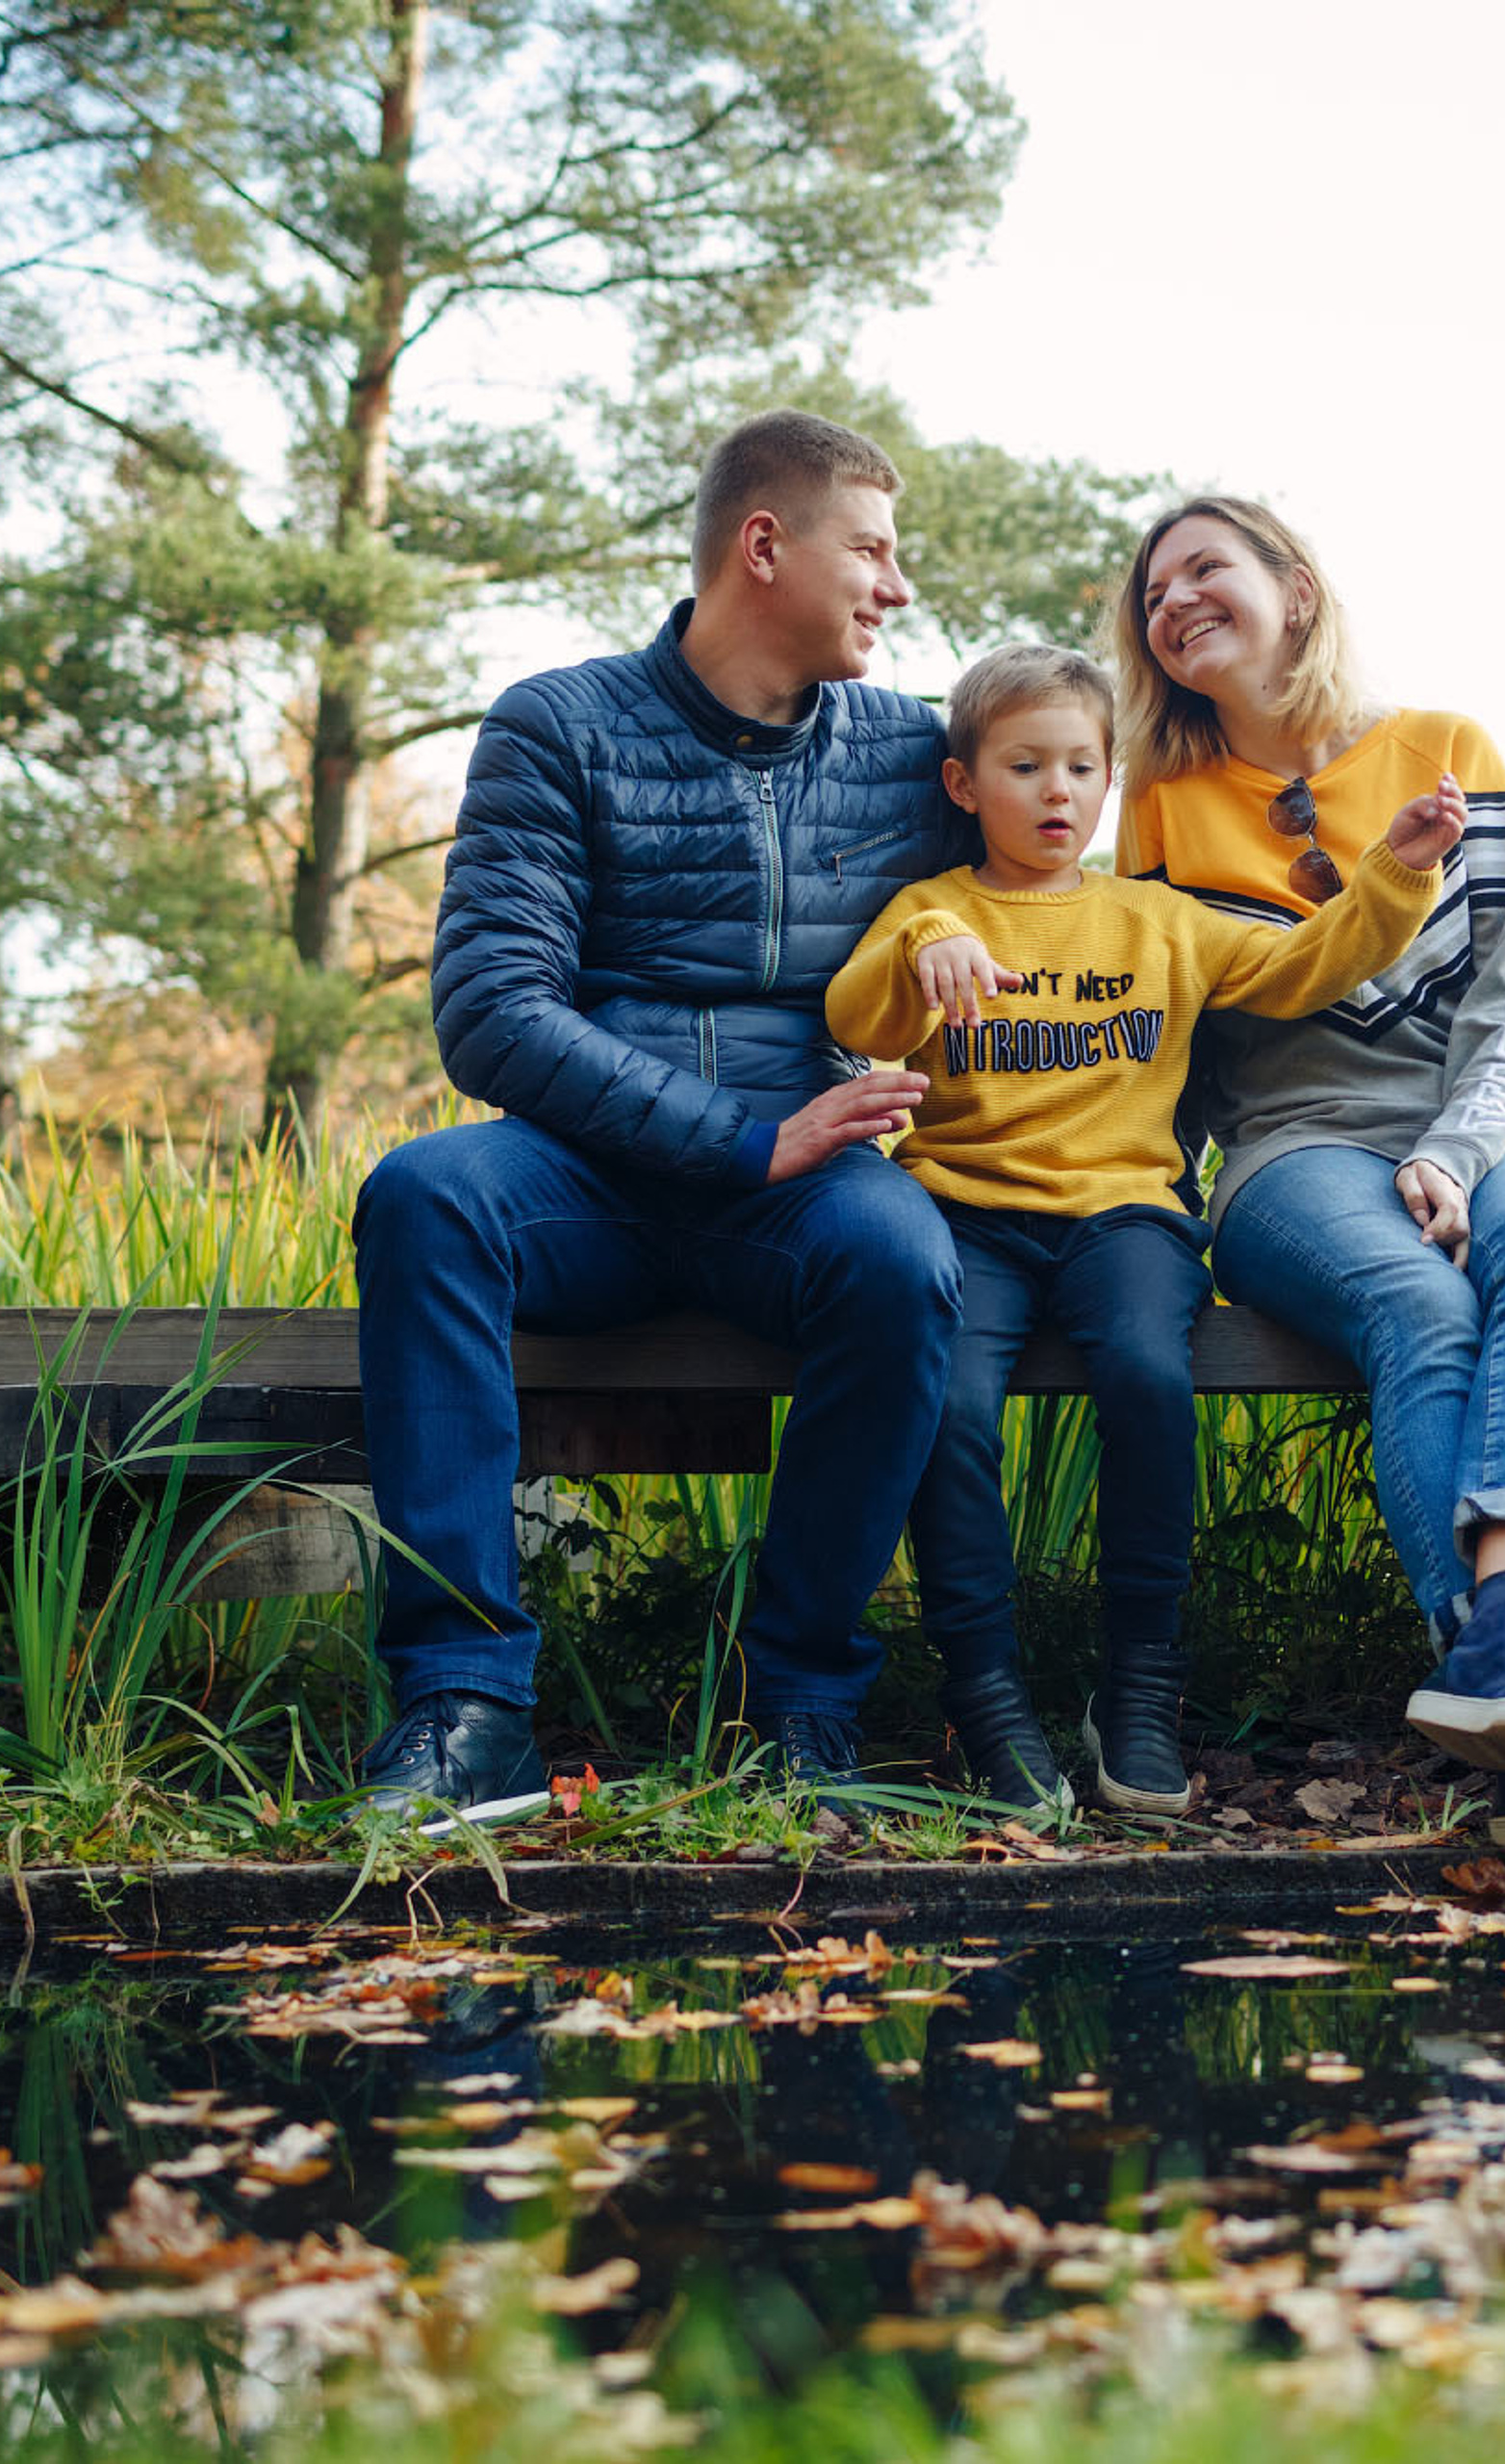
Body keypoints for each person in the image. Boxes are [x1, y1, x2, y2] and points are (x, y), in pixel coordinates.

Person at [350, 409, 972, 1823]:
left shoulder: (913, 752)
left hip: (811, 1198)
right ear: (766, 546)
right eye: (872, 549)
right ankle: (464, 1710)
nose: (898, 585)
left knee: (903, 1261)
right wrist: (738, 1137)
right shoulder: (557, 724)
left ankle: (801, 1711)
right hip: (593, 1180)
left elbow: (1057, 881)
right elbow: (493, 1013)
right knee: (425, 1195)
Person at [1111, 498, 1505, 1855]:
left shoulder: (1445, 750)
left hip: (1498, 1121)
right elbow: (1182, 1035)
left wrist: (1457, 1151)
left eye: (1208, 568)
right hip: (1296, 1148)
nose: (1175, 601)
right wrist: (1144, 1187)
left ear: (1298, 591)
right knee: (1419, 1306)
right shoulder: (1159, 802)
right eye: (1154, 592)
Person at [825, 643, 1455, 1817]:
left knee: (1150, 1380)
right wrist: (928, 953)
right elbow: (854, 1013)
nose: (1056, 792)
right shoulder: (934, 911)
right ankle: (988, 1694)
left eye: (1079, 766)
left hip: (1126, 1219)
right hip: (964, 1216)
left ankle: (1141, 1690)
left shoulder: (1157, 920)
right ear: (965, 786)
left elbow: (1303, 967)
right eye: (1024, 766)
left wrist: (1394, 878)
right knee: (950, 1408)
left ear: (1110, 780)